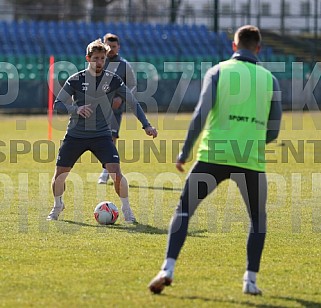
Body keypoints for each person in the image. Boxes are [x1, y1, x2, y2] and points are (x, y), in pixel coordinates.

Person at [148, 25, 282, 295]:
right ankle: (250, 280)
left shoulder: (219, 71)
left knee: (184, 210)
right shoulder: (270, 79)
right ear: (258, 48)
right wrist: (253, 140)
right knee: (258, 219)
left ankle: (168, 268)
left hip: (213, 155)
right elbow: (274, 129)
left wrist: (184, 152)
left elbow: (200, 115)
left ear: (234, 46)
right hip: (250, 159)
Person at [46, 39, 157, 223]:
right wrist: (76, 109)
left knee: (116, 172)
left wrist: (147, 125)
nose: (99, 62)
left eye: (102, 59)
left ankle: (127, 210)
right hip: (75, 135)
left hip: (102, 135)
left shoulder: (113, 80)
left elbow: (132, 102)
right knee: (59, 176)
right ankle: (58, 205)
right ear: (87, 58)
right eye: (95, 58)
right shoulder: (76, 79)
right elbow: (57, 105)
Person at [97, 33, 137, 184]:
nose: (111, 49)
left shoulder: (124, 65)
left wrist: (122, 98)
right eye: (108, 46)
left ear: (118, 47)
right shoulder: (98, 61)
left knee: (111, 138)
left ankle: (106, 170)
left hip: (115, 110)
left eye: (114, 47)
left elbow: (132, 85)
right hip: (97, 108)